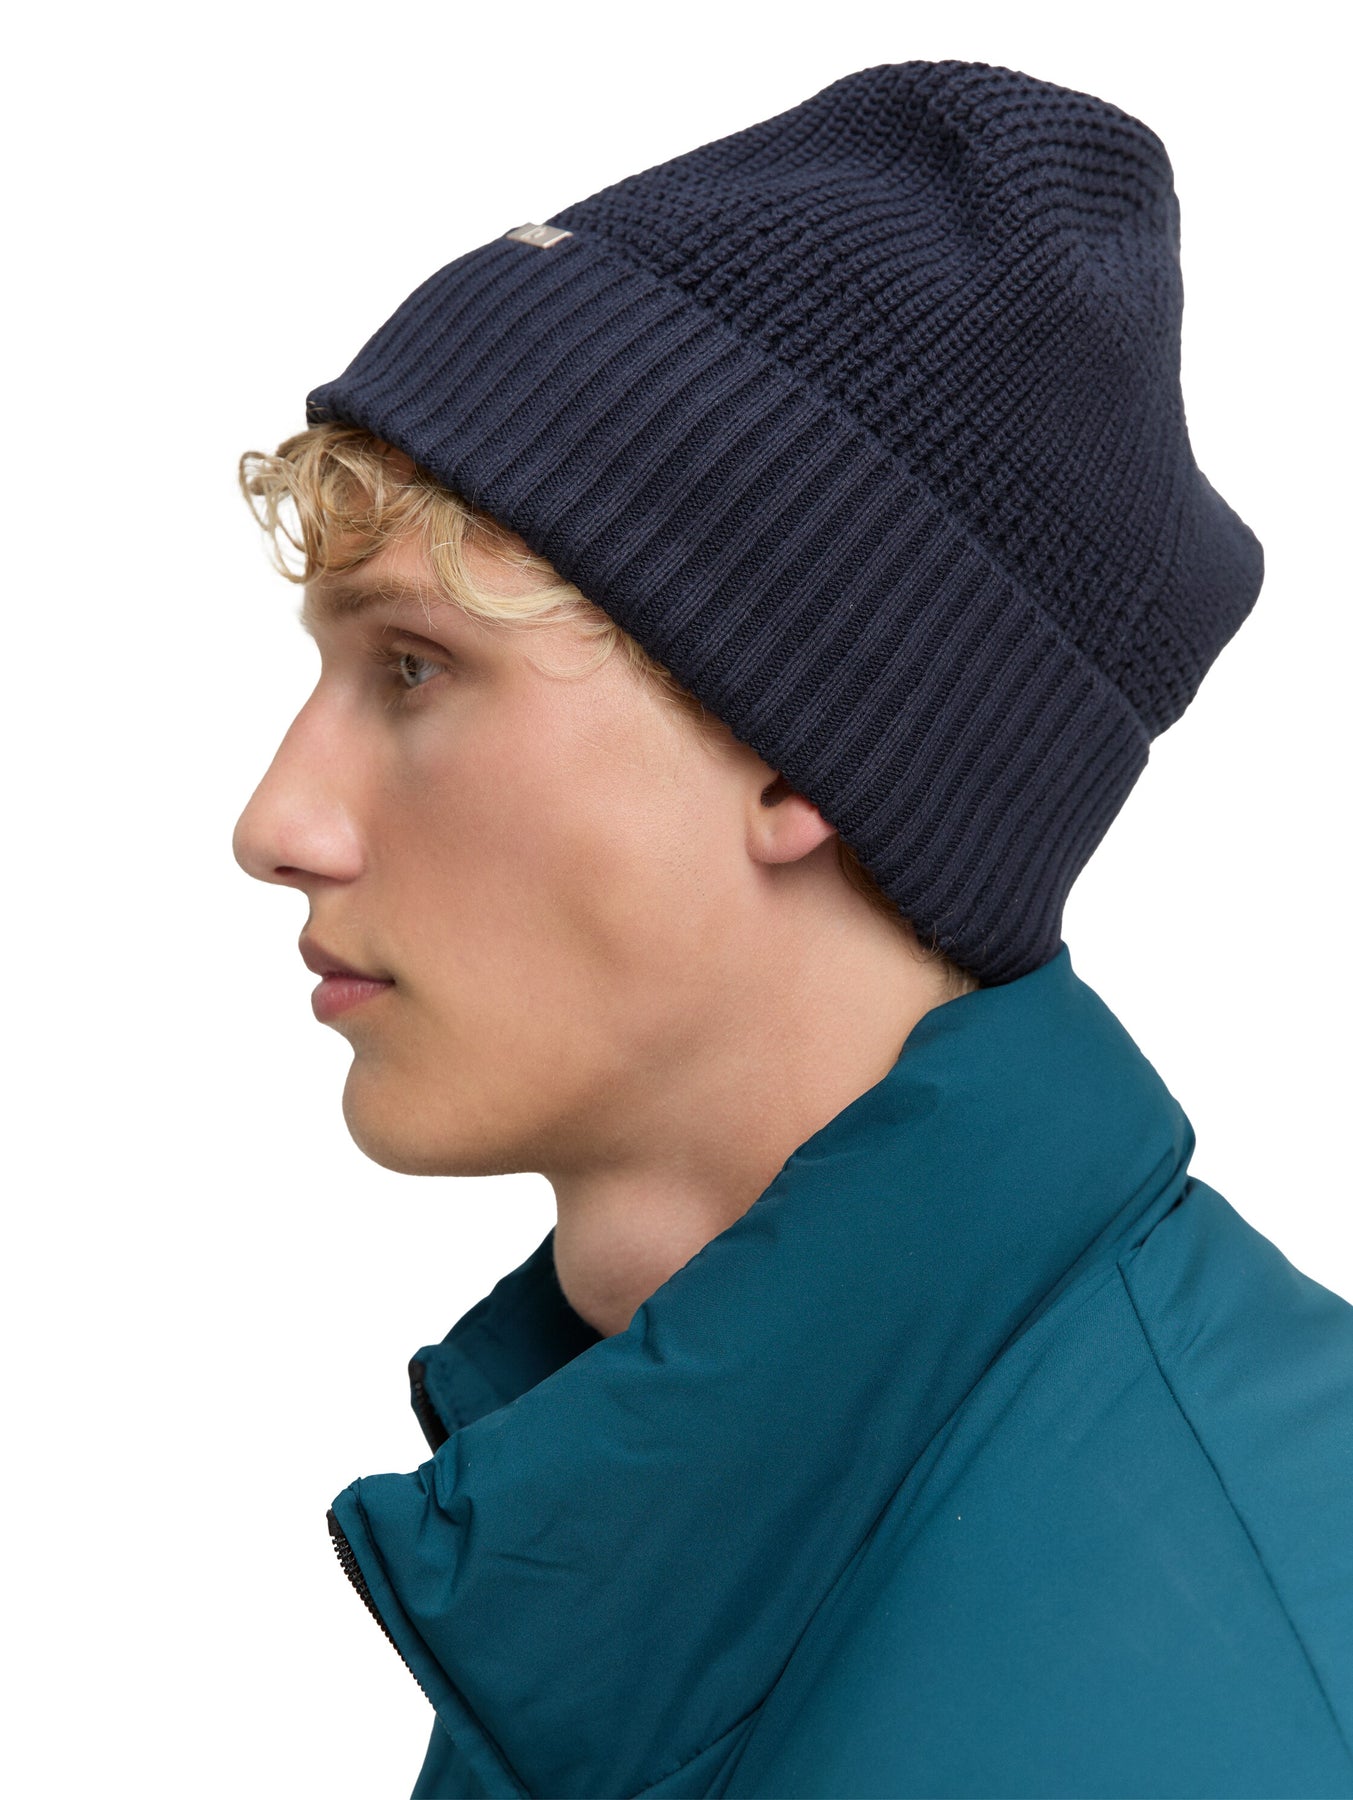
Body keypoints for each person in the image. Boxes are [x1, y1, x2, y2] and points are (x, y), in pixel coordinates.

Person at [232, 60, 1353, 1800]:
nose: (276, 825)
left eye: (415, 669)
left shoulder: (1246, 1675)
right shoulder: (669, 1532)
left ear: (817, 741)